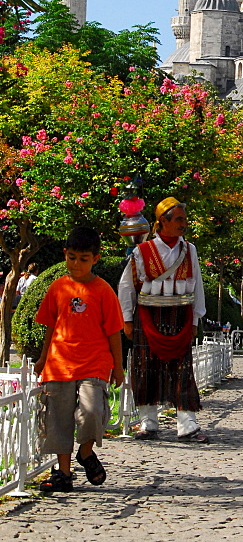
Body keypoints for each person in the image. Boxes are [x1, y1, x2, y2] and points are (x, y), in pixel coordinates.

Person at [34, 226, 124, 493]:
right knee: (58, 419)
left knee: (92, 412)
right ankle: (63, 473)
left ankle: (85, 453)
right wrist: (42, 357)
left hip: (94, 364)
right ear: (65, 254)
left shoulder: (103, 291)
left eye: (83, 259)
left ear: (95, 258)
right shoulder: (58, 287)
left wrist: (117, 367)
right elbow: (51, 324)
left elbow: (114, 332)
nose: (76, 264)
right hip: (59, 363)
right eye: (71, 257)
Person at [118, 196, 210, 443]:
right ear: (163, 221)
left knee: (182, 372)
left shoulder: (189, 250)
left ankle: (188, 425)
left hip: (180, 316)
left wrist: (195, 321)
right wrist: (127, 319)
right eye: (179, 219)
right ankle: (148, 423)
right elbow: (127, 287)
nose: (184, 224)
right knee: (145, 368)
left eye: (184, 219)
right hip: (148, 316)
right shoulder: (142, 251)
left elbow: (197, 286)